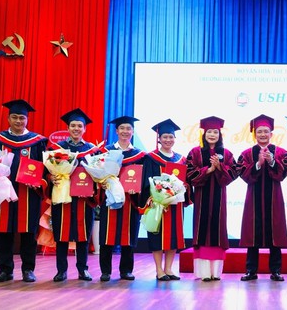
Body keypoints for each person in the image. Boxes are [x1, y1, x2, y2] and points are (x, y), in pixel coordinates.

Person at [0, 99, 48, 283]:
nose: (19, 121)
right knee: (4, 231)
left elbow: (45, 168)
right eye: (15, 117)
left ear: (27, 120)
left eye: (22, 118)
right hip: (3, 192)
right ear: (8, 118)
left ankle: (28, 269)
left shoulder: (37, 142)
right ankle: (5, 270)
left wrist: (39, 182)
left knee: (29, 232)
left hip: (28, 194)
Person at [236, 114, 287, 282]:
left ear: (271, 134)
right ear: (255, 134)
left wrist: (273, 161)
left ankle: (275, 270)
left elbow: (283, 174)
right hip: (253, 200)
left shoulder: (282, 153)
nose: (262, 134)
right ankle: (250, 270)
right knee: (253, 235)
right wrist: (258, 164)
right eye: (259, 131)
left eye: (265, 131)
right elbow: (243, 174)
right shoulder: (246, 154)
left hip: (274, 199)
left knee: (274, 234)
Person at [49, 108, 100, 282]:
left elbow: (99, 172)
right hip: (62, 196)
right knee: (61, 233)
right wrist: (51, 177)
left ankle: (82, 269)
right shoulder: (57, 149)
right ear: (68, 128)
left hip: (84, 198)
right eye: (73, 125)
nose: (76, 128)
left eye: (80, 126)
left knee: (83, 234)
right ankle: (61, 270)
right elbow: (46, 170)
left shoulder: (92, 150)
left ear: (85, 129)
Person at [186, 116, 239, 281]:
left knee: (217, 230)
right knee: (202, 230)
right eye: (209, 131)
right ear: (204, 133)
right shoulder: (195, 152)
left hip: (219, 199)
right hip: (202, 199)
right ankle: (203, 273)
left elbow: (234, 172)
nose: (212, 135)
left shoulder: (226, 153)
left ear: (219, 134)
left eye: (215, 132)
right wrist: (208, 170)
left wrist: (220, 167)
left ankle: (216, 272)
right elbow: (189, 173)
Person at [140, 119, 190, 281]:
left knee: (174, 236)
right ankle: (159, 270)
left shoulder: (181, 160)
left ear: (175, 139)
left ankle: (169, 268)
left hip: (175, 205)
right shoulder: (151, 158)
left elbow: (185, 180)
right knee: (156, 235)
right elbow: (145, 181)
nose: (168, 140)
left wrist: (185, 187)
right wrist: (153, 198)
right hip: (158, 204)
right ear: (159, 139)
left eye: (171, 137)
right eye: (165, 137)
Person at [97, 116, 146, 282]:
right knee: (107, 234)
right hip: (110, 199)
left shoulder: (139, 155)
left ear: (132, 132)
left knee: (129, 235)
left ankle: (126, 270)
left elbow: (144, 178)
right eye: (122, 128)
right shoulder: (106, 151)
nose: (125, 131)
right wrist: (101, 184)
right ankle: (105, 271)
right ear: (117, 131)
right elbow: (96, 174)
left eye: (128, 129)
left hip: (131, 201)